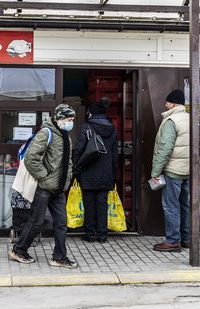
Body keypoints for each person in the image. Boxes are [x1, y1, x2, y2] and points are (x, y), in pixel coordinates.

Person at [9, 104, 78, 268]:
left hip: (59, 189)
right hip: (45, 187)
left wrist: (67, 179)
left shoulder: (65, 135)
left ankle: (59, 257)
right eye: (69, 119)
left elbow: (67, 162)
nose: (71, 122)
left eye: (72, 119)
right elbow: (31, 158)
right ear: (60, 118)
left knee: (61, 223)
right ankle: (19, 250)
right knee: (36, 222)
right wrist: (44, 177)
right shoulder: (46, 133)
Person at [73, 97, 119, 243]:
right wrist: (113, 175)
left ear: (91, 113)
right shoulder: (112, 129)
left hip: (88, 171)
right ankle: (103, 235)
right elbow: (114, 156)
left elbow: (79, 150)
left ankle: (90, 234)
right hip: (106, 173)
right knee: (102, 204)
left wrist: (76, 170)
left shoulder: (86, 128)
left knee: (89, 203)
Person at [150, 89, 190, 252]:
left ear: (173, 103)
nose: (165, 105)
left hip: (173, 171)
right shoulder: (189, 119)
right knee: (184, 205)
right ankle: (186, 238)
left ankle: (173, 240)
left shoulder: (171, 121)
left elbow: (164, 149)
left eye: (167, 102)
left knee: (171, 206)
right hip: (188, 170)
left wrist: (155, 172)